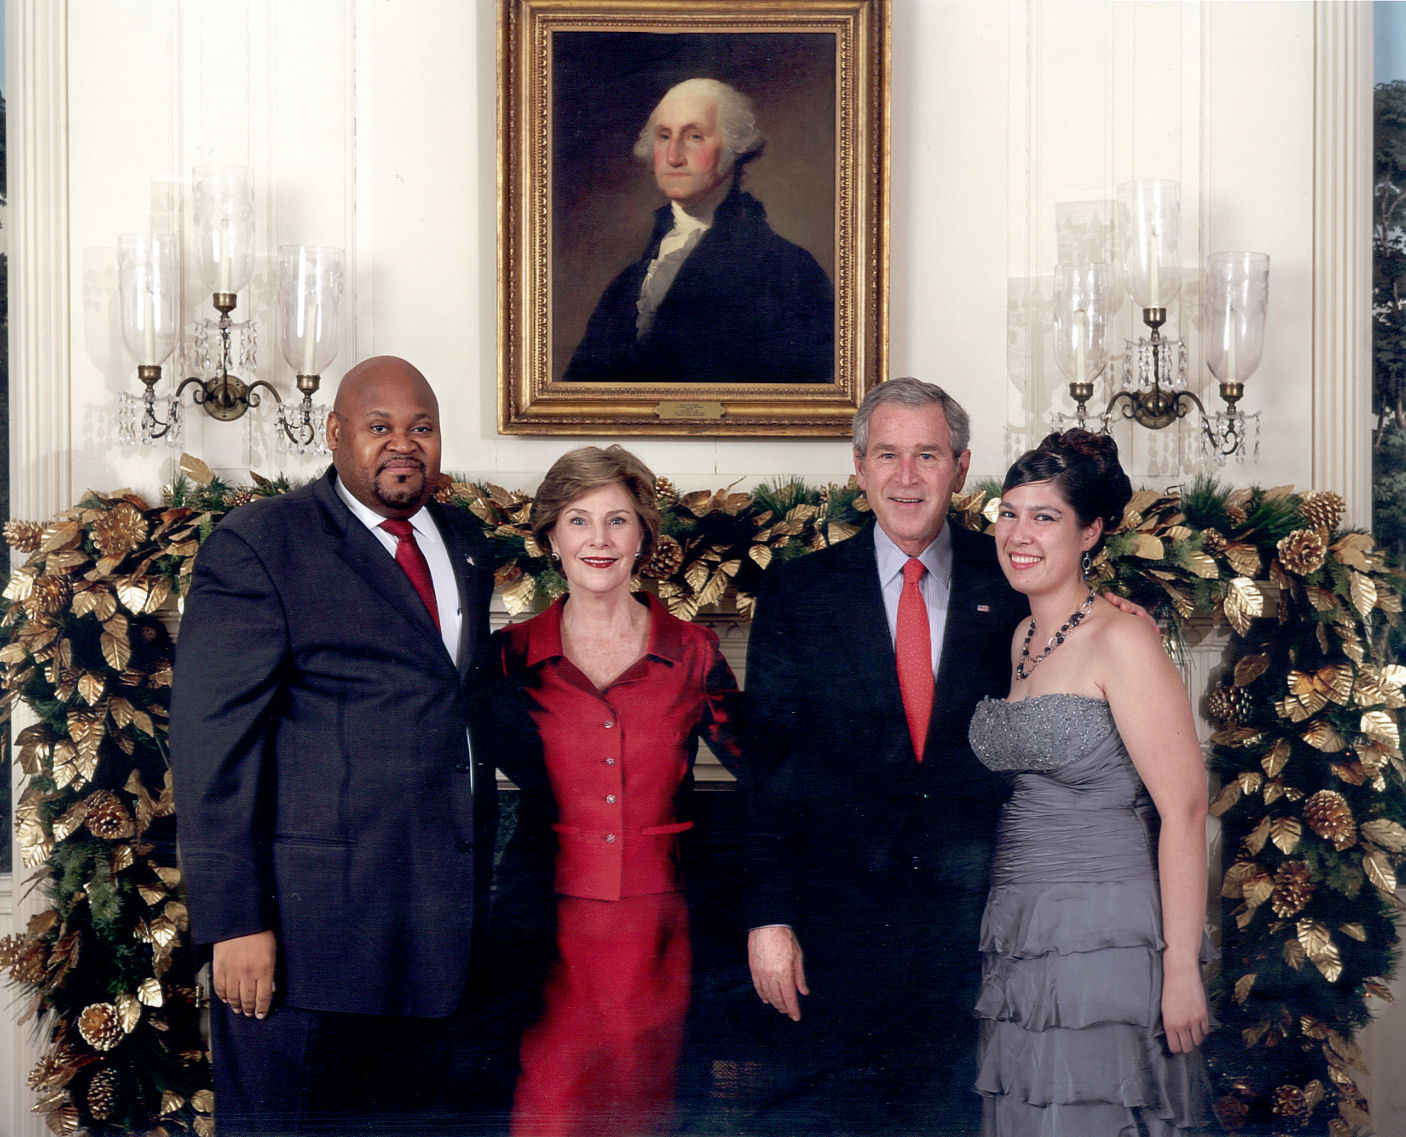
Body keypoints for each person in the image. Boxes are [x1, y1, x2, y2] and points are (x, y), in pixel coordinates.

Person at [743, 378, 1150, 1136]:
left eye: (927, 454)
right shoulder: (798, 592)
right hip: (835, 929)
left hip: (979, 924)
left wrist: (1110, 606)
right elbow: (767, 766)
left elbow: (1080, 644)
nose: (907, 476)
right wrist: (768, 917)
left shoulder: (1016, 571)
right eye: (888, 455)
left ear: (961, 468)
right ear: (859, 467)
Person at [169, 356, 501, 1135]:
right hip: (305, 950)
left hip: (433, 946)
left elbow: (456, 708)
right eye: (380, 426)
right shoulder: (262, 543)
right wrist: (235, 922)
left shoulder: (466, 542)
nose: (404, 444)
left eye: (421, 427)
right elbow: (211, 747)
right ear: (334, 432)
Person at [490, 445, 744, 1137]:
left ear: (644, 537)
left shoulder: (693, 651)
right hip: (546, 935)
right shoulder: (509, 655)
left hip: (659, 939)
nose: (598, 540)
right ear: (550, 537)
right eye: (578, 520)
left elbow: (770, 773)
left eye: (618, 520)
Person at [969, 429, 1212, 1134]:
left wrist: (1181, 969)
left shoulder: (1122, 638)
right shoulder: (1019, 638)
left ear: (1091, 531)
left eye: (1045, 517)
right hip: (1020, 925)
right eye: (1009, 512)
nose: (1019, 532)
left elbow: (1187, 809)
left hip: (1106, 932)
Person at [562, 77, 834, 384]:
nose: (674, 156)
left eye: (694, 136)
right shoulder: (626, 285)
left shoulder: (789, 271)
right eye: (664, 136)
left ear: (735, 147)